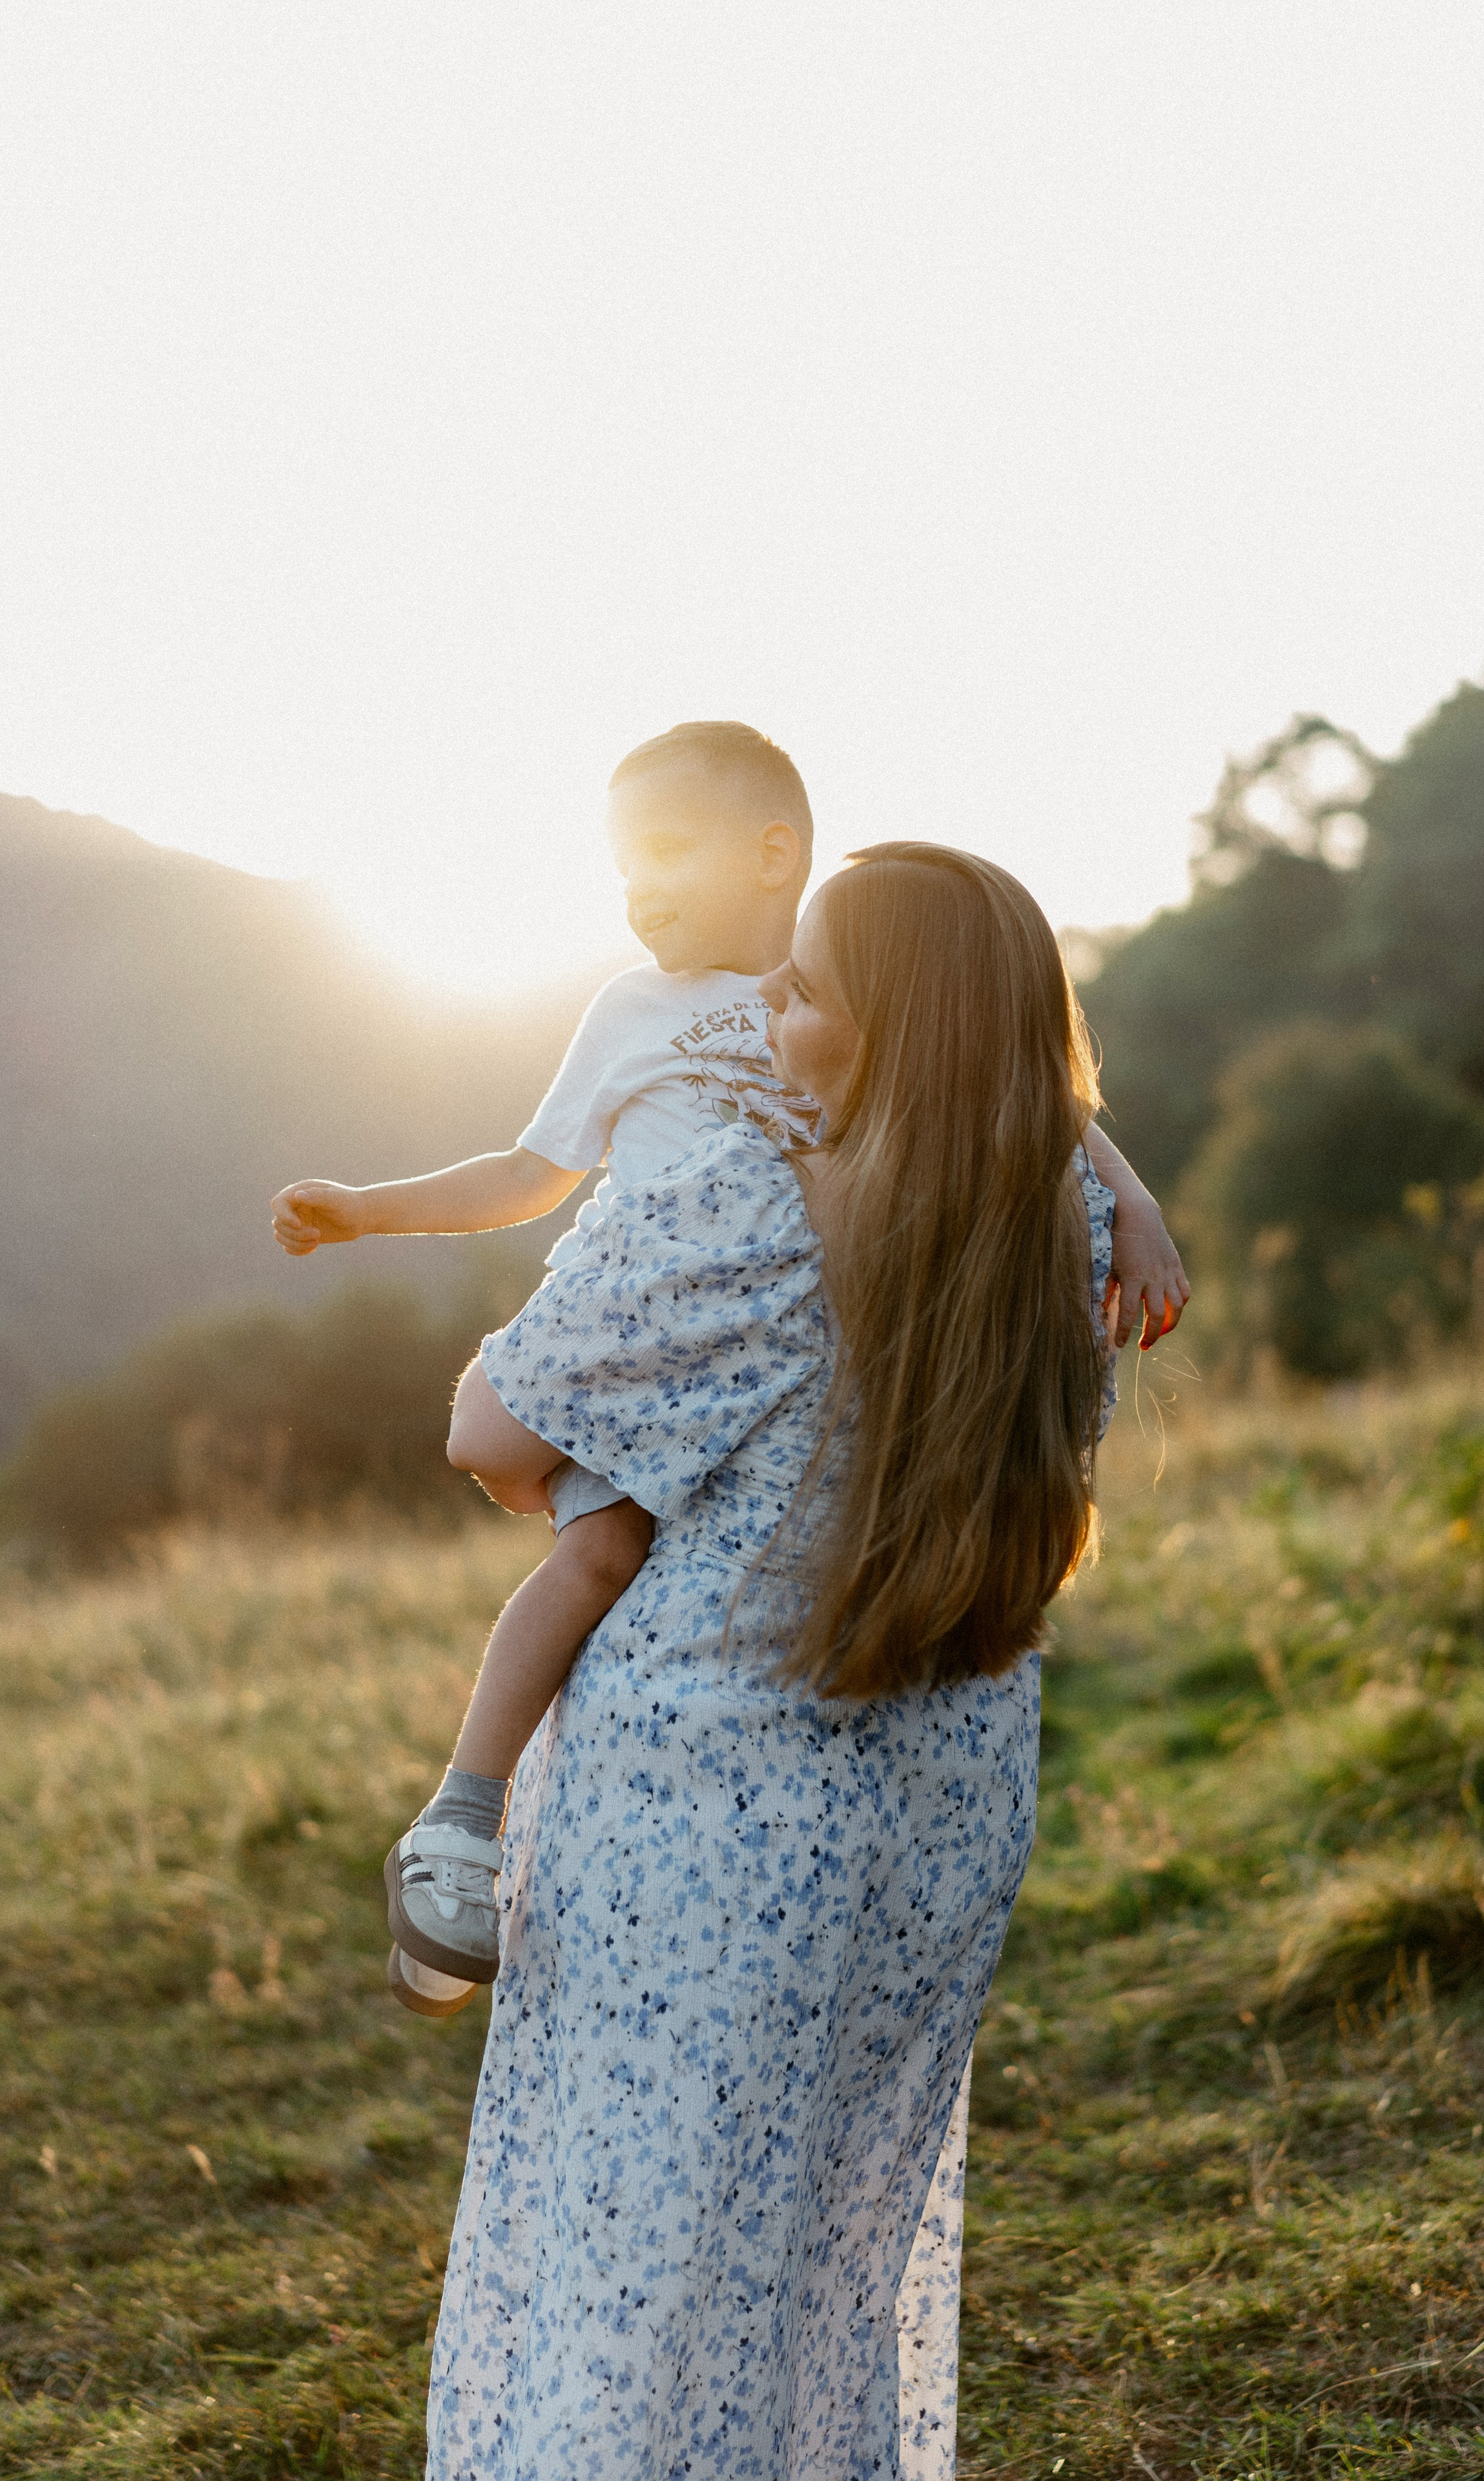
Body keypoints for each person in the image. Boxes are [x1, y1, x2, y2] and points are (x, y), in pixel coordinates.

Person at [426, 843, 1157, 2480]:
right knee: (817, 2267)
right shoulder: (1073, 1225)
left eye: (806, 986)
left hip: (704, 1812)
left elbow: (491, 1430)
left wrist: (584, 1308)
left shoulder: (743, 1200)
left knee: (631, 2279)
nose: (763, 995)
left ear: (892, 1036)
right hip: (944, 1812)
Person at [271, 729, 1187, 1999]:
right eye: (619, 866)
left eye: (661, 853)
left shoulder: (866, 979)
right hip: (638, 1344)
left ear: (772, 853)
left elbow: (1028, 1089)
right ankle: (462, 1827)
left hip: (771, 1370)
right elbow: (532, 1174)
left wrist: (1133, 1203)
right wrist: (368, 1213)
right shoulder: (630, 1012)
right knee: (600, 1552)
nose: (635, 890)